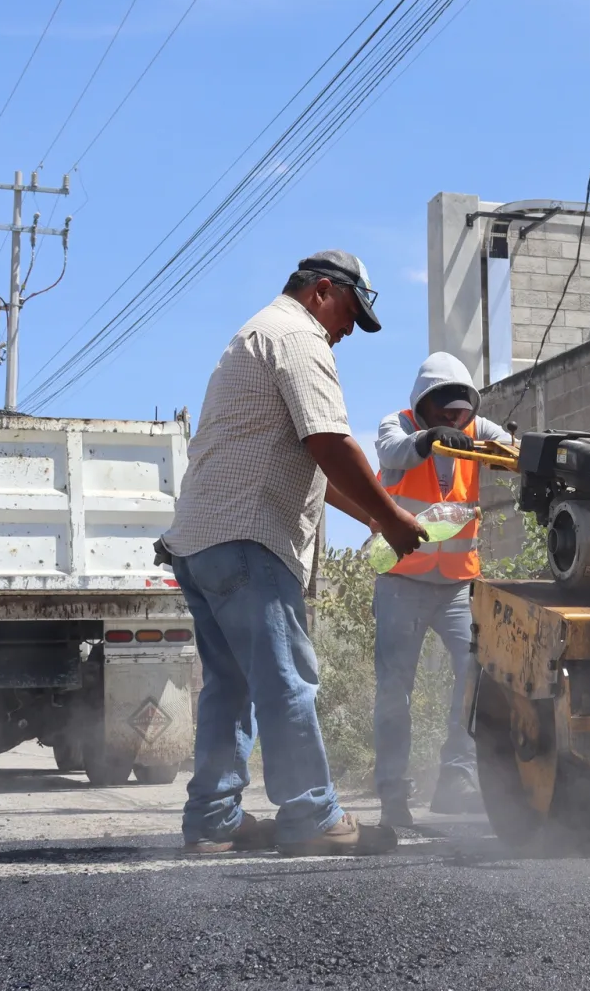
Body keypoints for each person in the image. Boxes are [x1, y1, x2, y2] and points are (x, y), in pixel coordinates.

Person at [161, 249, 426, 857]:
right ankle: (310, 815)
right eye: (349, 317)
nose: (347, 333)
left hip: (203, 541)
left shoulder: (253, 335)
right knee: (286, 680)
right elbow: (330, 441)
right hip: (247, 540)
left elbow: (313, 465)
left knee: (229, 685)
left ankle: (213, 819)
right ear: (322, 292)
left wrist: (379, 522)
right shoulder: (297, 336)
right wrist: (391, 515)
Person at [371, 352, 514, 827]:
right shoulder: (397, 425)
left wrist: (521, 452)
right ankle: (393, 795)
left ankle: (455, 780)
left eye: (462, 412)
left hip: (457, 588)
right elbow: (394, 453)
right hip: (400, 583)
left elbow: (512, 452)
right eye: (445, 413)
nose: (456, 420)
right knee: (395, 692)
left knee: (478, 679)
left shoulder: (476, 427)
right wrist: (428, 440)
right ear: (424, 405)